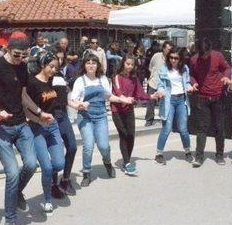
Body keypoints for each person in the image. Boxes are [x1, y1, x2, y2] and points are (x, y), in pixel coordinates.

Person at [0, 33, 51, 225]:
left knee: (31, 165)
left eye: (24, 55)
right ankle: (10, 220)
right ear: (8, 49)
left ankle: (17, 191)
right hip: (1, 128)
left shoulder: (22, 67)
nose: (20, 58)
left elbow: (23, 95)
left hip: (21, 124)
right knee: (11, 173)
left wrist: (39, 112)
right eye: (17, 54)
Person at [70, 53, 131, 186]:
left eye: (93, 62)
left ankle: (107, 162)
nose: (91, 65)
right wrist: (79, 104)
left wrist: (122, 99)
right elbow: (73, 99)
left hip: (101, 116)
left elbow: (109, 97)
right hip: (85, 117)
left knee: (104, 146)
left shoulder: (103, 79)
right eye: (88, 63)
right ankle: (86, 172)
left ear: (98, 65)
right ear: (84, 65)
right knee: (89, 145)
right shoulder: (80, 81)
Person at [26, 52, 67, 216]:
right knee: (47, 167)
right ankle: (48, 200)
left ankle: (49, 185)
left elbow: (62, 100)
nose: (53, 70)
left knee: (59, 164)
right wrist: (38, 119)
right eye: (51, 66)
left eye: (56, 67)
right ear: (43, 64)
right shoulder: (31, 83)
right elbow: (25, 108)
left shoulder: (53, 81)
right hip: (37, 128)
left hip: (53, 126)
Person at [190, 37, 232, 167]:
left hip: (218, 97)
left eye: (207, 53)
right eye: (203, 54)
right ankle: (199, 156)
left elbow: (227, 68)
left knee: (219, 127)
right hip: (202, 98)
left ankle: (219, 155)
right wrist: (194, 83)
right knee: (202, 128)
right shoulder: (194, 60)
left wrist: (226, 77)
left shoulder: (218, 56)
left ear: (210, 49)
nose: (205, 56)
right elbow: (191, 75)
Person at [111, 55, 155, 175]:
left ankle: (127, 161)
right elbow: (118, 92)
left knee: (131, 135)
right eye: (127, 64)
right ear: (123, 64)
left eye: (132, 64)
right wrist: (125, 99)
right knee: (124, 134)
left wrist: (151, 96)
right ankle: (127, 163)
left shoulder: (134, 79)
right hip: (117, 110)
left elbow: (140, 93)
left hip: (129, 110)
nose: (129, 66)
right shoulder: (116, 77)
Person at [154, 48, 194, 165]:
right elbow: (160, 84)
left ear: (180, 59)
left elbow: (186, 83)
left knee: (183, 128)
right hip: (169, 100)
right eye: (171, 57)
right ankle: (159, 153)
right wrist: (160, 91)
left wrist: (190, 88)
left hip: (182, 100)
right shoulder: (164, 69)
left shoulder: (185, 68)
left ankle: (187, 151)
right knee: (167, 128)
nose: (173, 60)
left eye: (176, 58)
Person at [51, 45, 77, 195]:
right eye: (57, 58)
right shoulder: (43, 75)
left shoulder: (60, 74)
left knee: (72, 147)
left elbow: (64, 99)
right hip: (50, 116)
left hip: (63, 114)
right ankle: (53, 183)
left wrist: (75, 104)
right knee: (56, 151)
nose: (60, 61)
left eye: (62, 58)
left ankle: (65, 179)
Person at [145, 41, 172, 126]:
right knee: (151, 101)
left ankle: (163, 118)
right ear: (163, 49)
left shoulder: (171, 59)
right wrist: (153, 75)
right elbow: (151, 66)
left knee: (164, 101)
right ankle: (149, 119)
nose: (169, 51)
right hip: (154, 82)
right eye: (168, 49)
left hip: (164, 84)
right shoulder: (156, 56)